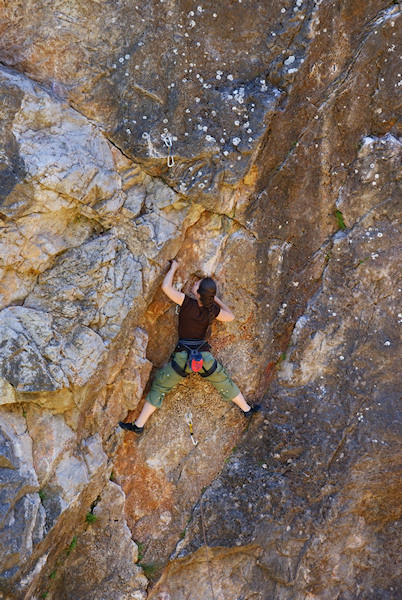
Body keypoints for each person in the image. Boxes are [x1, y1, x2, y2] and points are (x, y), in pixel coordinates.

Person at [119, 260, 260, 435]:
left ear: (199, 293)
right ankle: (247, 409)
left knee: (160, 387)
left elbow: (166, 288)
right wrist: (215, 300)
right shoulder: (211, 311)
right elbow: (230, 316)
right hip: (203, 358)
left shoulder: (187, 303)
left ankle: (139, 425)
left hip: (182, 359)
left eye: (197, 284)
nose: (194, 283)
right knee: (224, 381)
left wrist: (174, 268)